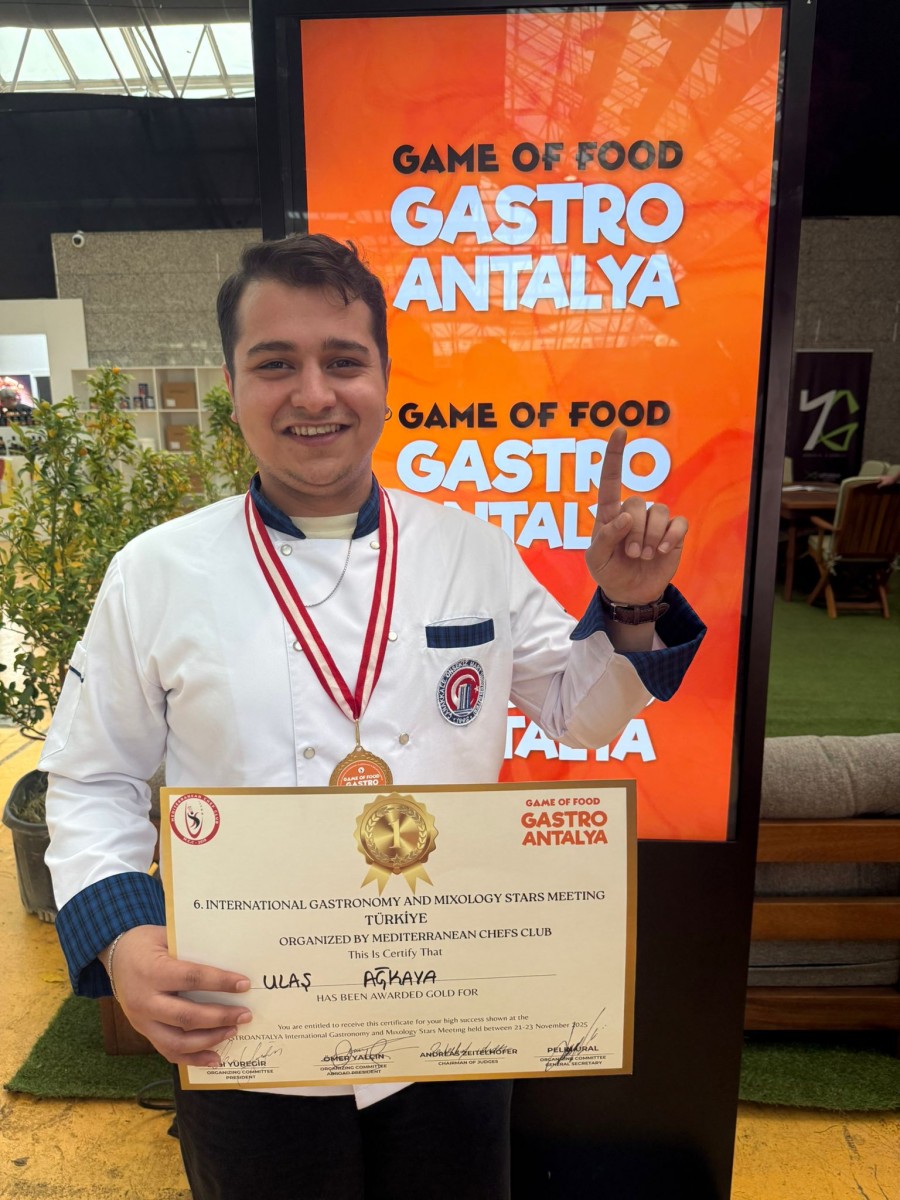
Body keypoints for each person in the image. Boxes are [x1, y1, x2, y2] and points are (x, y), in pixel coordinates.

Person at [42, 233, 705, 1200]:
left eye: (343, 361)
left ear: (384, 380)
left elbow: (580, 715)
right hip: (249, 1023)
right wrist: (128, 943)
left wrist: (631, 606)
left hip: (450, 1017)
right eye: (276, 363)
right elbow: (91, 778)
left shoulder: (471, 550)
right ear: (232, 384)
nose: (313, 394)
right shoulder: (156, 573)